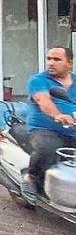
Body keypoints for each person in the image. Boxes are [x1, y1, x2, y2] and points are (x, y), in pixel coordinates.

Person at [21, 46, 76, 204]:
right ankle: (30, 177)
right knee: (48, 149)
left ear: (69, 63)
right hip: (44, 129)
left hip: (72, 131)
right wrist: (58, 115)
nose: (51, 63)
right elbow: (43, 100)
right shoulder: (38, 80)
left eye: (57, 59)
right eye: (49, 59)